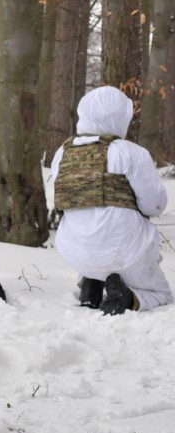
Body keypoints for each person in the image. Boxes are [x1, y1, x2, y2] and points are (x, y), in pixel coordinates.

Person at [50, 86, 172, 315]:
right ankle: (129, 298)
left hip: (73, 249)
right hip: (125, 250)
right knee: (162, 295)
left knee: (90, 225)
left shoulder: (62, 153)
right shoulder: (131, 152)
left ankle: (91, 283)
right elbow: (154, 205)